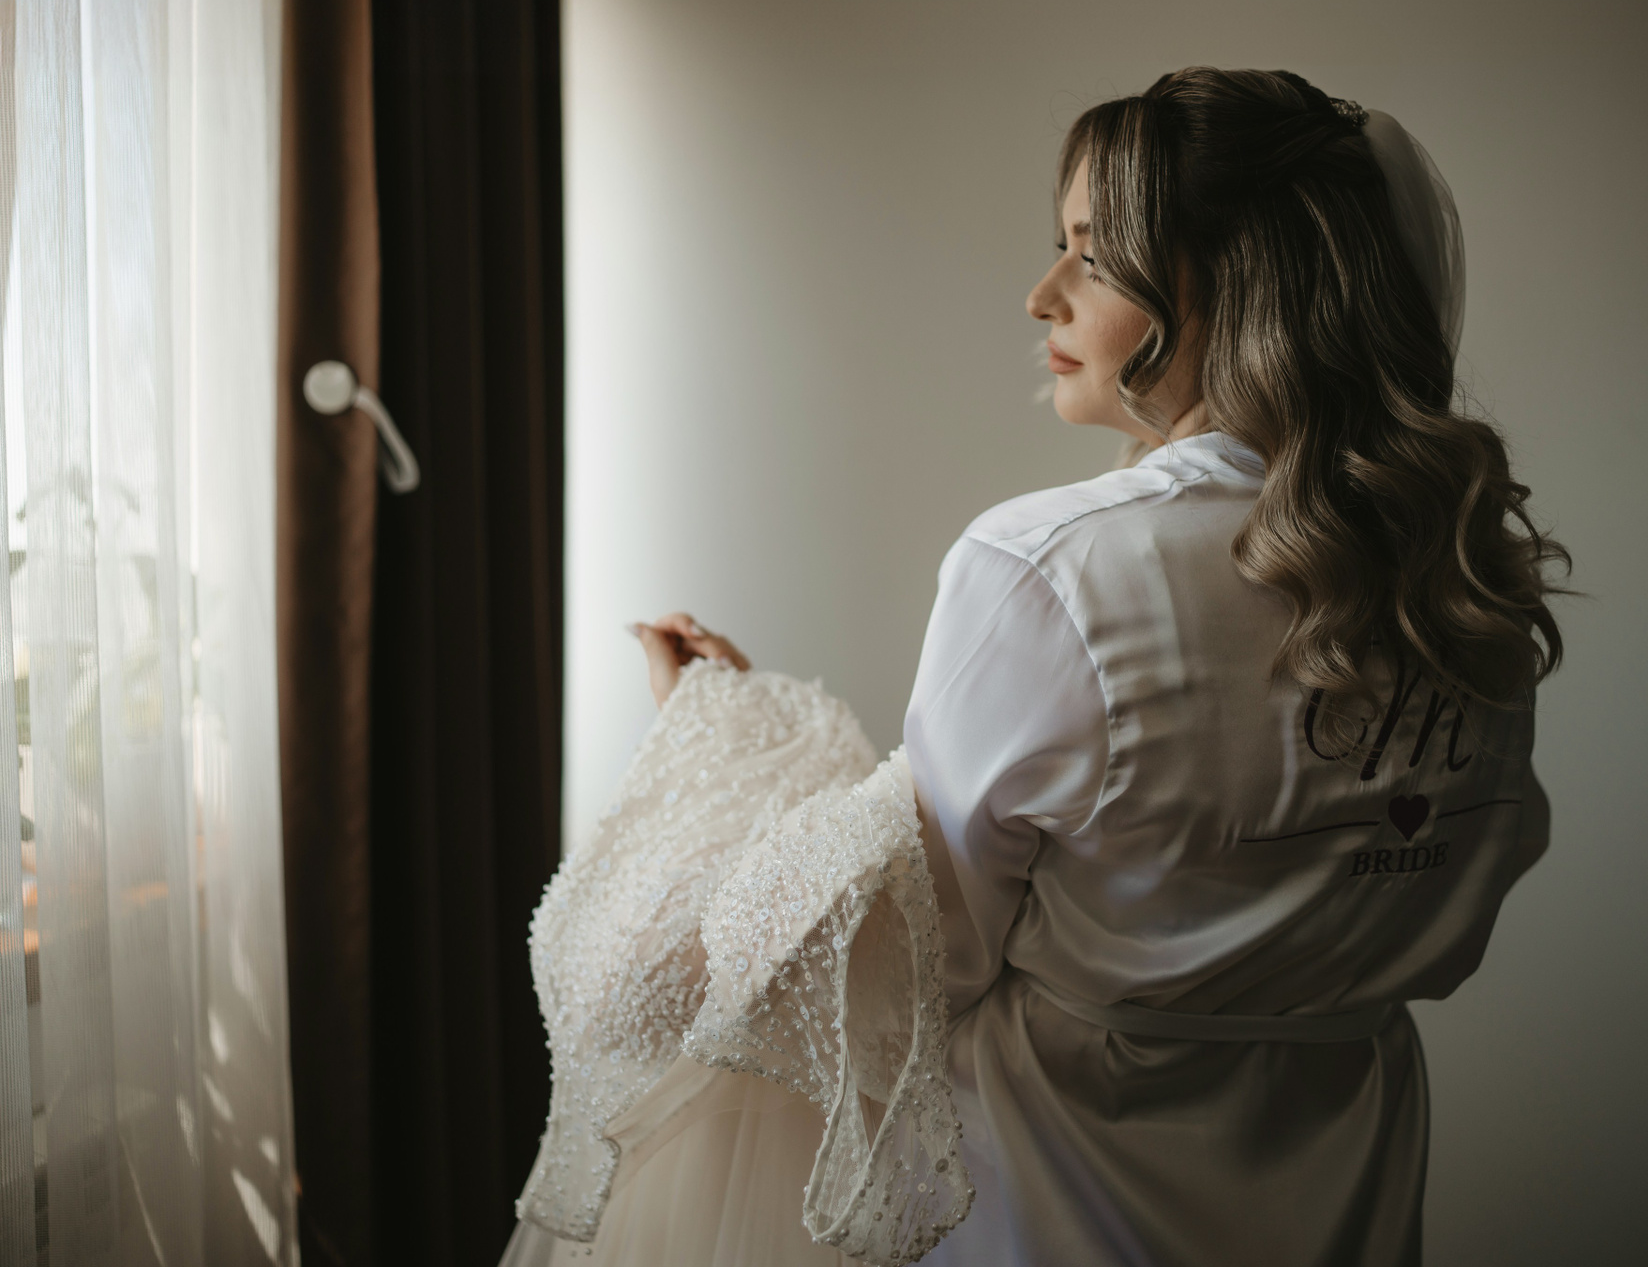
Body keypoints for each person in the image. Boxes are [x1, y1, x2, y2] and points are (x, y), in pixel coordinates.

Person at [503, 67, 1565, 1267]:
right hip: (1344, 1177)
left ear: (1229, 284)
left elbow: (920, 959)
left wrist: (725, 745)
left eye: (1092, 257)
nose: (1041, 294)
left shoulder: (1050, 566)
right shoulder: (1458, 567)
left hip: (1068, 1185)